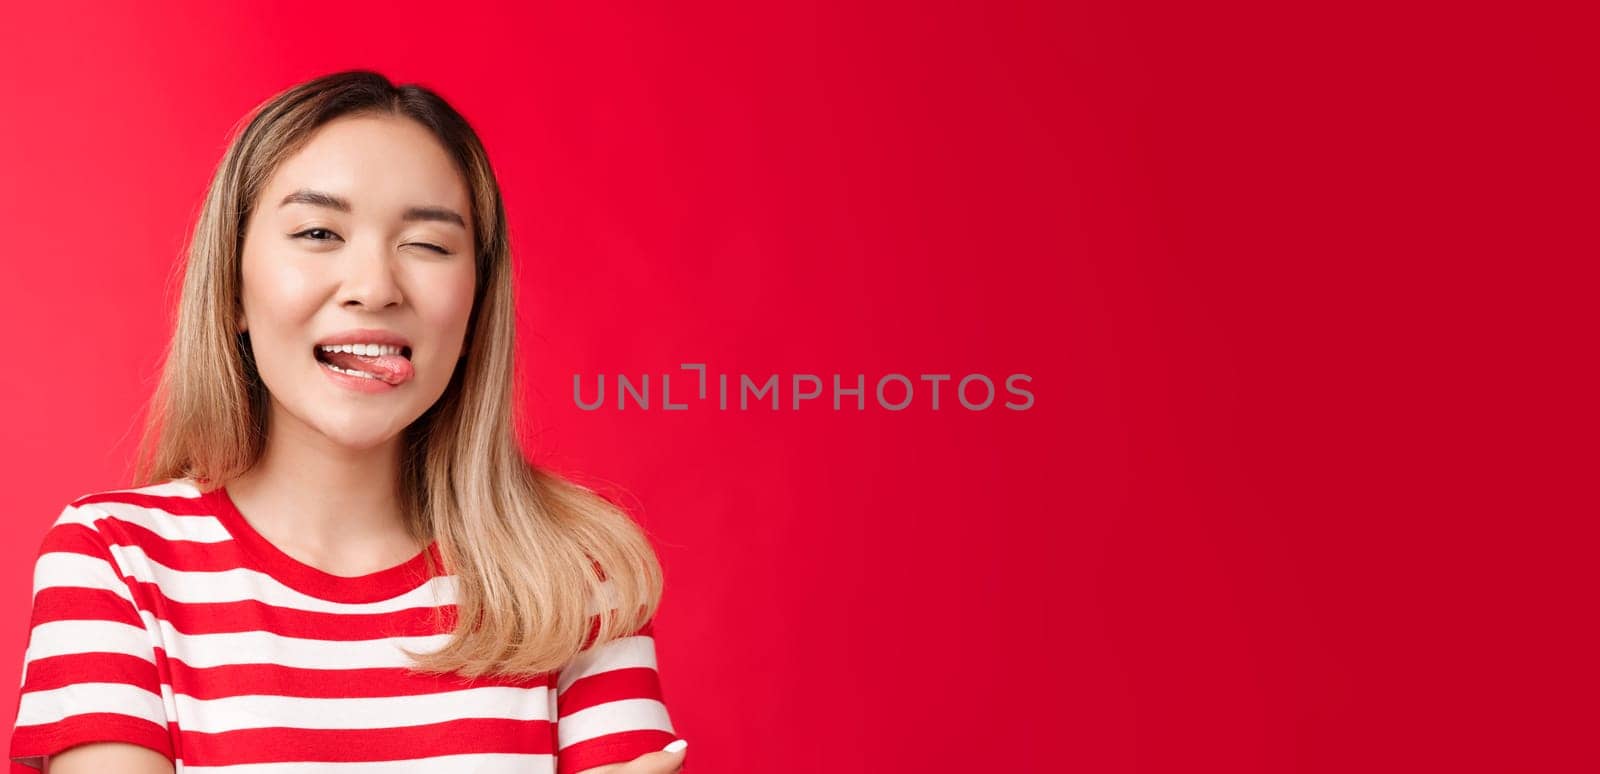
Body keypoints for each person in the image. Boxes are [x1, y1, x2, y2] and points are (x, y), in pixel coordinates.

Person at [8, 70, 689, 774]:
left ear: (477, 309)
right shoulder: (116, 560)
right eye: (317, 232)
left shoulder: (574, 576)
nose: (375, 288)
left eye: (428, 244)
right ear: (232, 287)